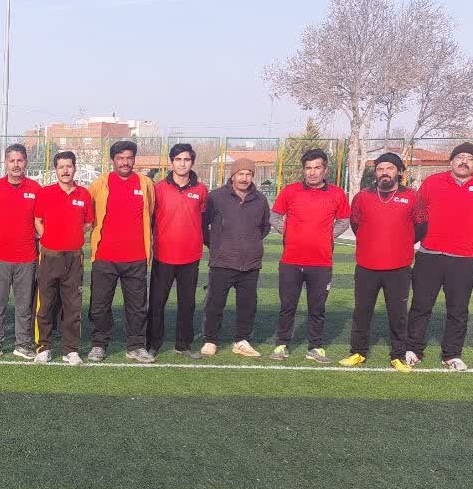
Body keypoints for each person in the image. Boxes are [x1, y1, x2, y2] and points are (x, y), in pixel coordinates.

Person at [404, 142, 473, 371]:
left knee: (458, 309)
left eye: (470, 159)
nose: (464, 161)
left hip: (464, 258)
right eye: (460, 157)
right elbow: (417, 212)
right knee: (420, 305)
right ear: (452, 160)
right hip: (430, 255)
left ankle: (452, 354)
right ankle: (413, 350)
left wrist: (471, 232)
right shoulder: (433, 182)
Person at [340, 153, 423, 371]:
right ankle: (358, 352)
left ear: (399, 172)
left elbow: (421, 226)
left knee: (398, 314)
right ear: (375, 173)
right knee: (362, 311)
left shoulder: (412, 197)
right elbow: (356, 224)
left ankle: (398, 355)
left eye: (390, 168)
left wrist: (400, 241)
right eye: (380, 169)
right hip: (367, 266)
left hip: (399, 267)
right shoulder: (362, 197)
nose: (384, 172)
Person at [270, 148, 350, 363]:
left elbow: (344, 221)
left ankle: (315, 347)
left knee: (317, 308)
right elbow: (275, 217)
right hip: (291, 261)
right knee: (287, 306)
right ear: (303, 170)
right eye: (308, 168)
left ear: (325, 169)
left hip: (321, 263)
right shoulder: (290, 191)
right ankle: (281, 345)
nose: (312, 172)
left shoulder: (337, 194)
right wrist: (288, 233)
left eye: (317, 167)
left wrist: (327, 236)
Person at [86, 140, 156, 363]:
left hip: (136, 257)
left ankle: (136, 346)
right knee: (99, 305)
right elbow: (88, 214)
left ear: (134, 159)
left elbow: (151, 212)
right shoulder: (99, 184)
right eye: (120, 158)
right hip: (104, 256)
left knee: (137, 307)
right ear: (113, 160)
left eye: (129, 158)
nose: (125, 162)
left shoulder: (145, 184)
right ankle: (99, 344)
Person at [200, 158, 271, 358]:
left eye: (248, 174)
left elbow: (265, 227)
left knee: (248, 305)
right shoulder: (216, 197)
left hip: (250, 263)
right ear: (233, 175)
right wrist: (216, 245)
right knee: (215, 303)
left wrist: (251, 242)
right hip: (222, 261)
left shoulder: (260, 199)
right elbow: (202, 225)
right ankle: (210, 340)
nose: (244, 178)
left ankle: (242, 340)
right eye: (241, 174)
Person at [147, 143, 210, 356]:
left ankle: (183, 345)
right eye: (178, 159)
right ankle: (153, 344)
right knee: (157, 303)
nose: (182, 164)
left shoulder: (201, 190)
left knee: (187, 304)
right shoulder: (158, 189)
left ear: (192, 162)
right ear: (171, 162)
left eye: (187, 159)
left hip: (190, 257)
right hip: (163, 255)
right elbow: (150, 219)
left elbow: (204, 220)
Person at [33, 151, 95, 365]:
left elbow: (88, 223)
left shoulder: (84, 194)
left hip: (74, 258)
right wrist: (48, 238)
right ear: (56, 170)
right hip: (49, 256)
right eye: (61, 167)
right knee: (45, 304)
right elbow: (38, 220)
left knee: (72, 305)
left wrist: (73, 236)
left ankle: (71, 350)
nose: (65, 170)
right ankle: (44, 347)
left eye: (69, 166)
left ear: (74, 168)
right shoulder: (45, 193)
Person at [0, 143, 42, 360]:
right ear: (6, 163)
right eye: (12, 160)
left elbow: (41, 221)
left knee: (24, 306)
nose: (16, 164)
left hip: (27, 257)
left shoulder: (36, 189)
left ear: (26, 162)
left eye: (20, 160)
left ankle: (22, 344)